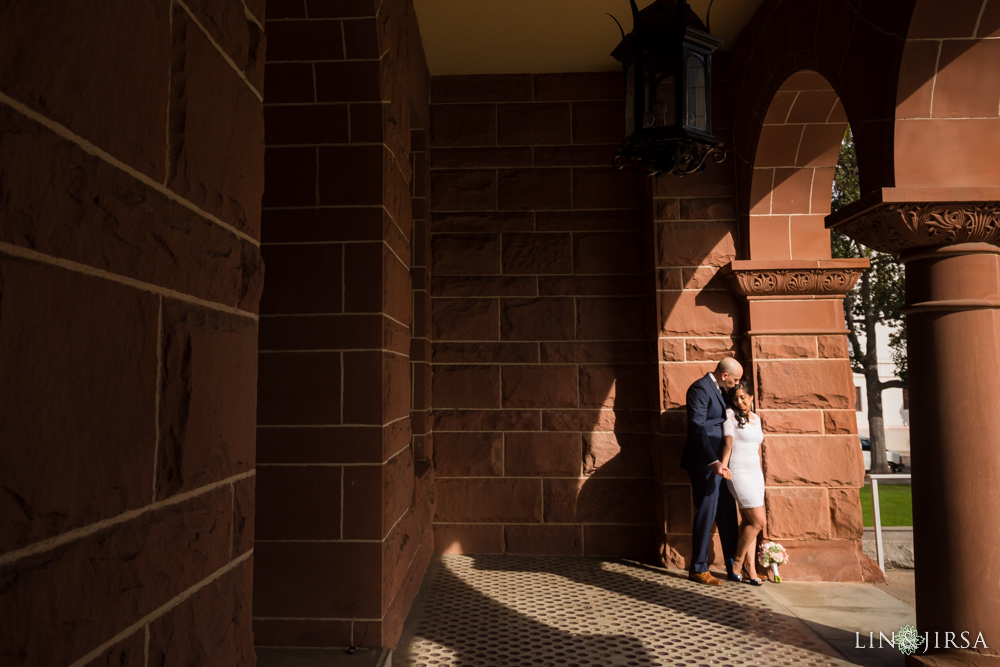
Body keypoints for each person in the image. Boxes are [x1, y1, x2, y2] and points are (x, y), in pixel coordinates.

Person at [681, 357, 742, 586]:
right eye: (734, 380)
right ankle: (698, 568)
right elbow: (697, 428)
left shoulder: (719, 389)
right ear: (724, 375)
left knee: (727, 513)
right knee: (707, 513)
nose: (736, 385)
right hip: (706, 465)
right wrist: (713, 461)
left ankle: (734, 566)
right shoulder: (699, 388)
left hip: (722, 465)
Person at [719, 380, 766, 585]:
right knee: (758, 522)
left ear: (751, 397)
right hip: (738, 471)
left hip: (756, 473)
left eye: (743, 397)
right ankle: (737, 562)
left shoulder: (756, 418)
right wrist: (723, 465)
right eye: (736, 398)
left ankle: (752, 570)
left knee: (749, 523)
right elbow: (728, 442)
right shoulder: (730, 415)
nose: (739, 401)